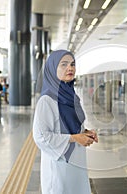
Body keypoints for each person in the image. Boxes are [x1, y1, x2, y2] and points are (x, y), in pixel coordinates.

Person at [32, 50, 98, 194]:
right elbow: (41, 137)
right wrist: (75, 138)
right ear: (52, 69)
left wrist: (85, 133)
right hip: (58, 166)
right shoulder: (47, 100)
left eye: (72, 64)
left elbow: (70, 125)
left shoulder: (72, 96)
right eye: (64, 65)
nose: (70, 68)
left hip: (76, 162)